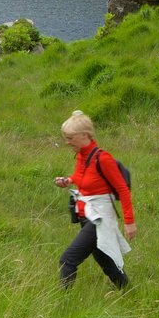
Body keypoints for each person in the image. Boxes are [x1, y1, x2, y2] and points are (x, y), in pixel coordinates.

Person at [52, 110, 135, 289]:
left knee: (68, 260)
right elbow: (81, 176)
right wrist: (68, 181)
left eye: (70, 138)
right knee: (106, 262)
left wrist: (129, 222)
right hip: (86, 216)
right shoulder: (82, 155)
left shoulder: (103, 159)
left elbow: (122, 189)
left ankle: (61, 303)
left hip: (99, 219)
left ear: (84, 135)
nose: (67, 142)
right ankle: (130, 293)